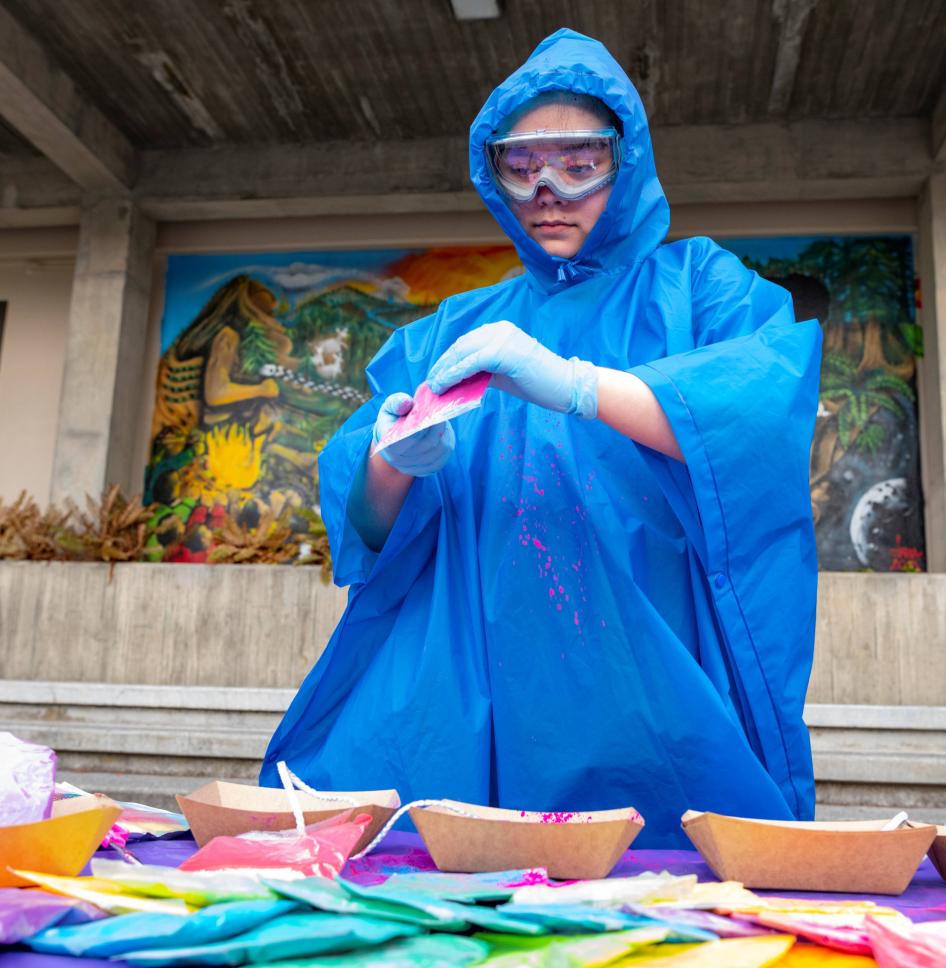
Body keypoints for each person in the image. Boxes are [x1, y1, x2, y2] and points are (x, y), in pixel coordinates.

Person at [261, 28, 822, 849]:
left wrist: (579, 387)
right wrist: (391, 462)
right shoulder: (454, 325)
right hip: (465, 687)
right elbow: (369, 529)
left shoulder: (701, 287)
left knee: (666, 908)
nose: (548, 191)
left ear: (625, 162)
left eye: (579, 160)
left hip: (650, 678)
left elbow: (757, 426)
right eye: (520, 167)